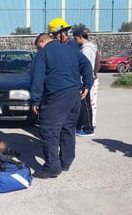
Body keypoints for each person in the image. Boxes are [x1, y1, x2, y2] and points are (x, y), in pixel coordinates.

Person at [30, 23, 94, 179]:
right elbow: (86, 64)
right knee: (67, 128)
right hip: (74, 95)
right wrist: (87, 84)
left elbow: (37, 78)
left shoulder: (43, 53)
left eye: (38, 47)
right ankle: (66, 162)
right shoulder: (71, 49)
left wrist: (35, 101)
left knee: (48, 130)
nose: (38, 50)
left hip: (56, 96)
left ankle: (52, 166)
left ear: (41, 42)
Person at [73, 27, 98, 136]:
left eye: (75, 39)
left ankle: (88, 128)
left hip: (84, 80)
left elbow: (85, 67)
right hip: (86, 79)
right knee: (84, 105)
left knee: (85, 105)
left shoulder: (86, 50)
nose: (75, 41)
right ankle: (81, 126)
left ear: (79, 37)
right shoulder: (89, 48)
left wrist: (84, 84)